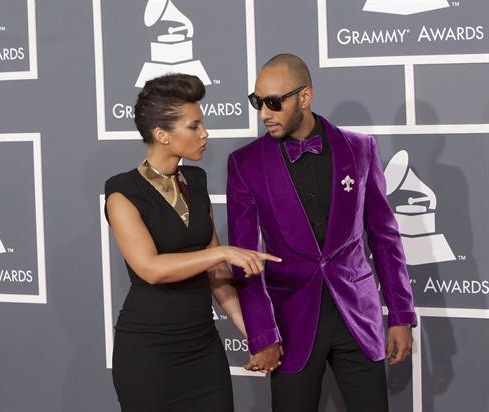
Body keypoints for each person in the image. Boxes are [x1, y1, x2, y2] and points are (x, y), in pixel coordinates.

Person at [226, 54, 417, 411]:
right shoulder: (245, 164)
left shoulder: (360, 149)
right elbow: (244, 259)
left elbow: (384, 236)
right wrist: (262, 334)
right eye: (257, 102)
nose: (264, 113)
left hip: (357, 315)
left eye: (273, 102)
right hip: (291, 320)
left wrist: (401, 315)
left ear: (305, 97)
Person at [105, 73, 280, 412]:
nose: (204, 134)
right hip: (149, 354)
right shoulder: (122, 192)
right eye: (193, 126)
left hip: (203, 348)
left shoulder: (196, 181)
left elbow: (217, 273)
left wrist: (257, 336)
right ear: (162, 135)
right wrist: (223, 251)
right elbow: (150, 268)